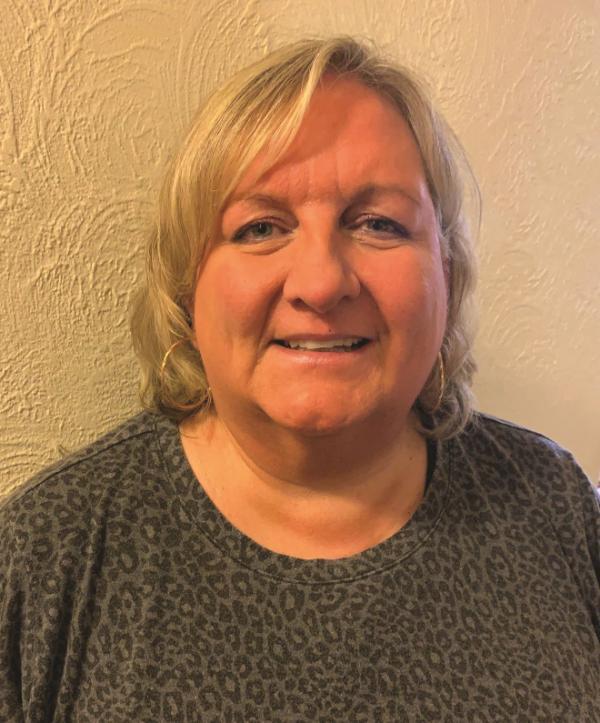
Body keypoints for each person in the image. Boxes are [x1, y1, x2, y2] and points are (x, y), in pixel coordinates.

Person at [1, 36, 598, 722]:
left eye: (378, 223)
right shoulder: (45, 558)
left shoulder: (558, 508)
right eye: (260, 228)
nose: (320, 282)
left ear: (447, 268)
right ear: (188, 285)